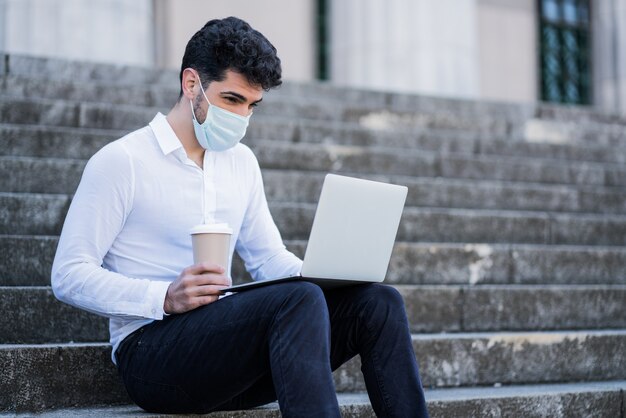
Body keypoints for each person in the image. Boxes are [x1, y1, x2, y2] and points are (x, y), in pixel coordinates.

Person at [51, 16, 429, 417]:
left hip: (228, 362)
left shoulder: (241, 163)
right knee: (296, 300)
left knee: (379, 302)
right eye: (232, 100)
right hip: (151, 355)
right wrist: (163, 296)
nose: (242, 117)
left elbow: (267, 259)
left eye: (252, 105)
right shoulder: (122, 161)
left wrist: (330, 275)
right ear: (191, 83)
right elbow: (69, 274)